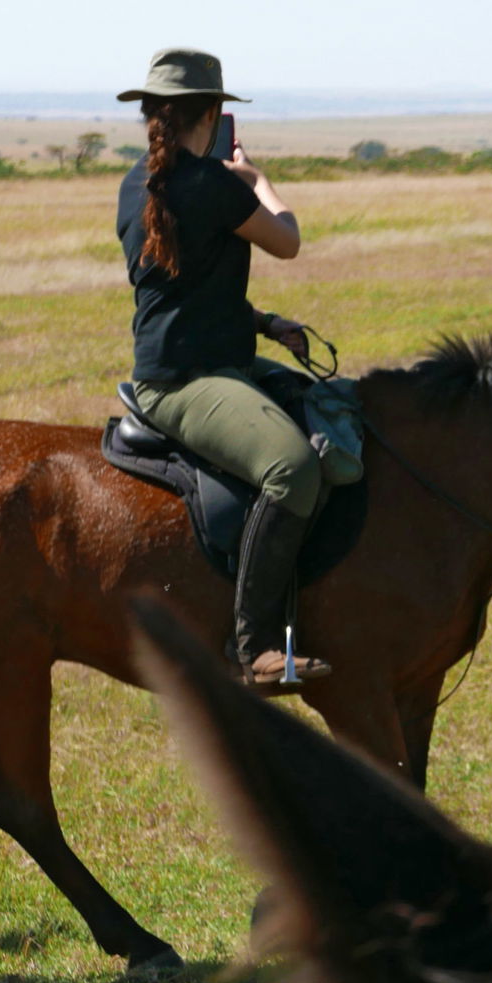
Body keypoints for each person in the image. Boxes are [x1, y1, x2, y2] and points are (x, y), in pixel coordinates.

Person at [115, 48, 330, 686]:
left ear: (154, 113)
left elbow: (185, 288)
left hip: (195, 360)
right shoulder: (214, 185)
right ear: (212, 113)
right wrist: (257, 179)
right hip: (185, 382)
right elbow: (287, 241)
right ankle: (254, 646)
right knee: (292, 470)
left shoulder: (137, 183)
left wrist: (263, 324)